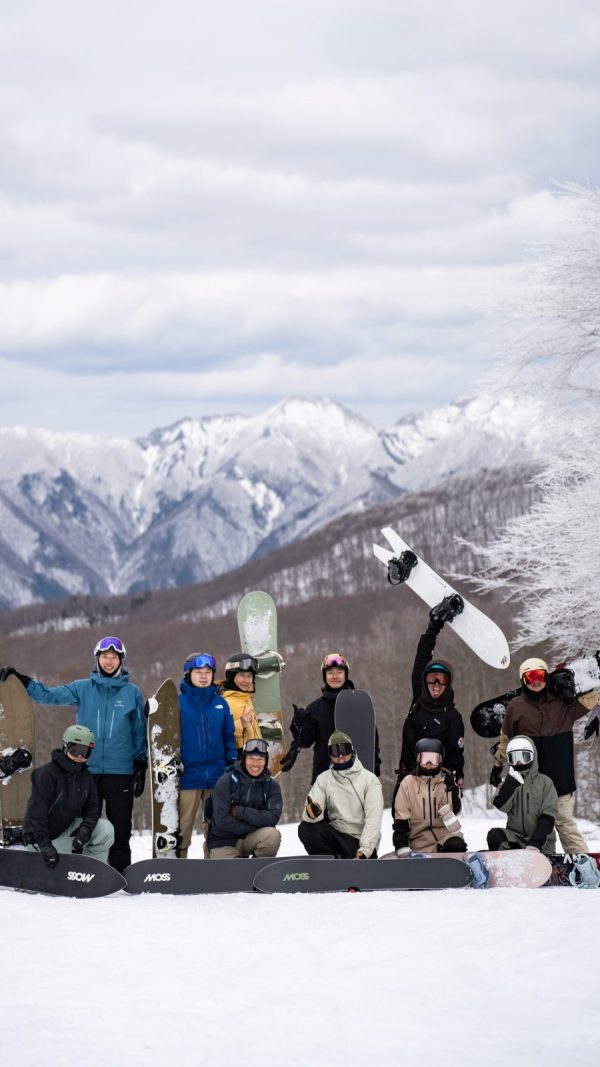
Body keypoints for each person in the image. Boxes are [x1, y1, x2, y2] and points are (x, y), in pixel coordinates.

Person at [1, 636, 146, 872]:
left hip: (120, 773)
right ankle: (80, 874)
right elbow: (49, 695)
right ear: (97, 659)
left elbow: (139, 731)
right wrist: (23, 682)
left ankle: (121, 876)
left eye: (114, 657)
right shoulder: (82, 688)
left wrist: (140, 764)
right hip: (84, 773)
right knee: (81, 829)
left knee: (120, 832)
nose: (109, 661)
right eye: (105, 656)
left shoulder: (132, 693)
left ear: (121, 661)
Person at [489, 657, 592, 852]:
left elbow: (592, 698)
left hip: (560, 778)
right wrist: (497, 766)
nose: (536, 681)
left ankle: (583, 861)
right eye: (530, 677)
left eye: (540, 676)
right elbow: (505, 739)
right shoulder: (516, 706)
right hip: (533, 783)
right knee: (533, 826)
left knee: (564, 824)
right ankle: (531, 858)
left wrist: (578, 682)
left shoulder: (563, 701)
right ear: (523, 680)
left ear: (547, 677)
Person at [22, 724, 114, 867]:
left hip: (65, 831)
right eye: (75, 750)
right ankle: (36, 856)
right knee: (60, 870)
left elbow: (92, 809)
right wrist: (44, 845)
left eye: (85, 752)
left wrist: (86, 828)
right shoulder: (46, 774)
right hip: (41, 838)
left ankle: (92, 871)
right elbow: (36, 814)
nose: (80, 756)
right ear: (65, 746)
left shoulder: (86, 777)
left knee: (105, 830)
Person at [281, 653, 381, 781]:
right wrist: (298, 726)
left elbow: (371, 737)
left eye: (339, 672)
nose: (335, 676)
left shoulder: (359, 703)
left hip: (356, 779)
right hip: (325, 778)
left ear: (346, 675)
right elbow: (305, 741)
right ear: (325, 676)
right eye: (330, 673)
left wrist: (374, 763)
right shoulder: (315, 708)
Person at [398, 602, 465, 787]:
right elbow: (422, 657)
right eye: (432, 678)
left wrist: (452, 783)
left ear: (448, 683)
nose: (436, 684)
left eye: (441, 680)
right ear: (424, 681)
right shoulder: (418, 699)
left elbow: (456, 757)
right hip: (408, 782)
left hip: (438, 785)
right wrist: (433, 627)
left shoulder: (453, 717)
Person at [178, 652, 237, 859]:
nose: (204, 676)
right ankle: (177, 866)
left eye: (208, 672)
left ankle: (212, 866)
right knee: (182, 828)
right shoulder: (177, 703)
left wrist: (231, 763)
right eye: (198, 672)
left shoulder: (220, 703)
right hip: (188, 777)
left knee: (215, 827)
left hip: (217, 776)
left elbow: (229, 735)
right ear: (189, 674)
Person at [298, 730, 383, 858]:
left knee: (365, 840)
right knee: (306, 829)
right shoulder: (324, 779)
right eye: (335, 751)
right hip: (338, 837)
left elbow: (373, 819)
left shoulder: (369, 780)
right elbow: (313, 808)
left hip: (360, 841)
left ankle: (351, 859)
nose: (341, 755)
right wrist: (312, 813)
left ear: (352, 750)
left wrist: (365, 850)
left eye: (344, 749)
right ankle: (330, 862)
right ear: (330, 754)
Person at [206, 737, 282, 858]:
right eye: (251, 758)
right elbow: (222, 821)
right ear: (244, 759)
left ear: (266, 761)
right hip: (224, 841)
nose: (255, 764)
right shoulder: (226, 782)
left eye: (260, 759)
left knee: (272, 835)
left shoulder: (272, 787)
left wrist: (239, 811)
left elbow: (272, 818)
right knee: (232, 870)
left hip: (251, 838)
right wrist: (256, 824)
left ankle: (257, 867)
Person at [392, 738, 467, 855]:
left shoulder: (446, 781)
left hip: (445, 837)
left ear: (440, 760)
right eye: (424, 759)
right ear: (418, 759)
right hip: (419, 841)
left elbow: (456, 811)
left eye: (433, 759)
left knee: (456, 845)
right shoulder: (408, 783)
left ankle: (452, 862)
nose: (429, 764)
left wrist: (452, 792)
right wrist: (402, 846)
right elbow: (401, 819)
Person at [487, 735, 558, 855]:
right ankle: (511, 858)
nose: (519, 762)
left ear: (532, 757)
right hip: (517, 839)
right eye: (514, 758)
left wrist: (536, 842)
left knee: (544, 826)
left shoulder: (545, 783)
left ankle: (528, 854)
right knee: (494, 835)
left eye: (524, 757)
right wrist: (511, 783)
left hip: (542, 844)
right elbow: (501, 805)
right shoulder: (510, 782)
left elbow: (548, 816)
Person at [218, 653, 263, 755]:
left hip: (253, 758)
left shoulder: (245, 698)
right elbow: (217, 735)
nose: (246, 680)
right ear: (231, 676)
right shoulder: (224, 702)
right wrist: (241, 724)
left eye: (249, 676)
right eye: (241, 675)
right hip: (237, 759)